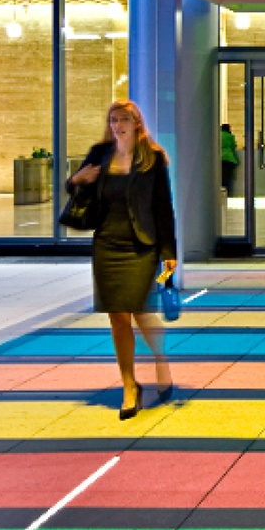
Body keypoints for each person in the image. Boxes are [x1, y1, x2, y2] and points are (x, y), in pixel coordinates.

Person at [68, 99, 177, 419]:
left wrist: (170, 255)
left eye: (124, 119)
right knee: (117, 315)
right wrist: (77, 182)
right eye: (113, 119)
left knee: (142, 312)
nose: (118, 125)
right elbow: (74, 187)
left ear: (137, 123)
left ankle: (160, 359)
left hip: (142, 247)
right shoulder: (99, 155)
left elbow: (163, 209)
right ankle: (130, 385)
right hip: (107, 245)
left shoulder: (153, 159)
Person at [218, 121, 240, 198]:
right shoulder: (231, 136)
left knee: (220, 178)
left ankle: (221, 196)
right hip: (230, 159)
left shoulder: (217, 136)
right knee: (228, 179)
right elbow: (233, 147)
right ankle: (229, 195)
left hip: (219, 159)